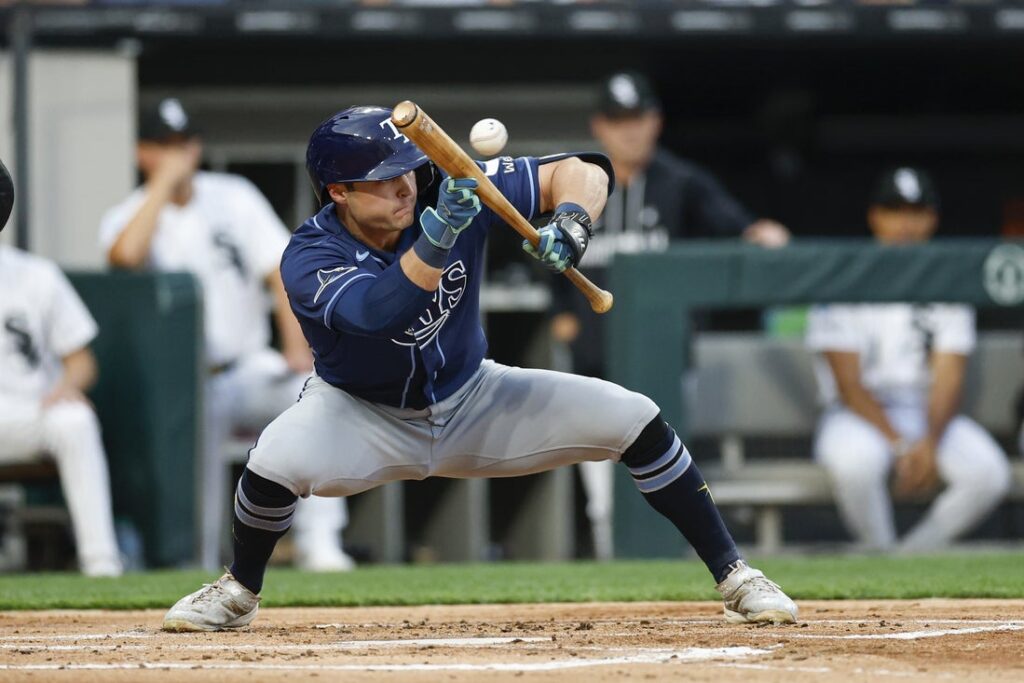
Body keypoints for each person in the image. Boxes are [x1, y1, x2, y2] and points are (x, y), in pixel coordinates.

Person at [161, 105, 797, 631]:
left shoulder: (446, 185)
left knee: (636, 417)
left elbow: (582, 170)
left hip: (475, 395)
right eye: (383, 180)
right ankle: (239, 589)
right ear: (339, 192)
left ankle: (737, 575)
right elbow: (376, 313)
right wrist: (438, 238)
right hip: (360, 412)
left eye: (408, 169)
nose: (405, 185)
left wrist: (572, 225)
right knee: (273, 461)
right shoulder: (308, 254)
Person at [99, 98, 354, 572]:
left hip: (246, 365)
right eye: (166, 146)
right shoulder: (129, 214)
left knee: (317, 398)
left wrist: (298, 347)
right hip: (181, 386)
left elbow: (279, 271)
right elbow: (124, 257)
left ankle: (322, 544)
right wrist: (160, 186)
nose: (181, 155)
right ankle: (198, 562)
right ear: (143, 153)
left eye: (186, 143)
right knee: (194, 484)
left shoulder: (233, 194)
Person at [554, 72, 791, 559]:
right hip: (593, 363)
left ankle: (678, 579)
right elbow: (540, 250)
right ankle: (620, 582)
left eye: (637, 119)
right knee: (603, 499)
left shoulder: (681, 182)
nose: (629, 131)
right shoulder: (574, 179)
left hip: (665, 364)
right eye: (618, 121)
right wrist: (560, 312)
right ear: (600, 126)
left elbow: (737, 228)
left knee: (668, 484)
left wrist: (759, 232)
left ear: (655, 122)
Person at [807, 167, 1012, 551]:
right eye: (895, 211)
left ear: (932, 219)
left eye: (916, 212)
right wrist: (902, 446)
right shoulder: (844, 276)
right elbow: (850, 387)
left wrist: (929, 442)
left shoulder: (948, 281)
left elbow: (949, 376)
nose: (905, 224)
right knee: (857, 465)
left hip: (925, 411)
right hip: (855, 415)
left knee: (988, 472)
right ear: (875, 216)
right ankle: (881, 549)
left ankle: (911, 555)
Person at [0, 159, 122, 576]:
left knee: (75, 420)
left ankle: (100, 562)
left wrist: (68, 386)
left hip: (26, 411)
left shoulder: (35, 275)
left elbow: (81, 361)